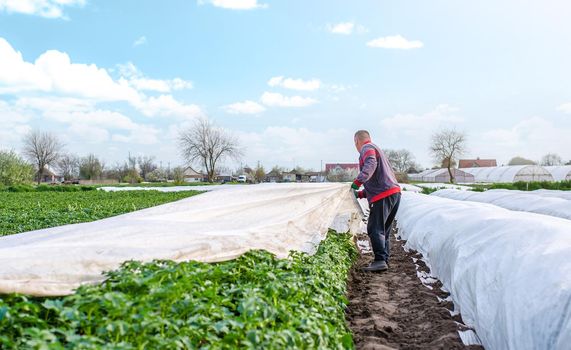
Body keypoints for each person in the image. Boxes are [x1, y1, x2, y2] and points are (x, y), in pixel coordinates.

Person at [351, 130, 401, 272]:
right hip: (394, 194)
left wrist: (357, 182)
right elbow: (378, 179)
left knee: (374, 228)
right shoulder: (377, 150)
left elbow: (370, 165)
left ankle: (380, 260)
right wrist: (361, 194)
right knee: (383, 229)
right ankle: (383, 260)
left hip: (383, 195)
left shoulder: (367, 148)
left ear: (356, 141)